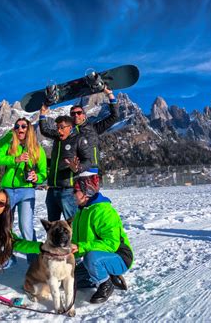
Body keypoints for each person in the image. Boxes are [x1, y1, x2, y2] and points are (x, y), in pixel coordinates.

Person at [0, 118, 47, 262]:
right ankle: (6, 254)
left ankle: (34, 262)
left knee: (26, 227)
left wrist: (36, 177)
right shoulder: (10, 146)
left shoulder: (37, 149)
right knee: (4, 224)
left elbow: (44, 172)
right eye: (17, 126)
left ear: (29, 130)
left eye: (23, 126)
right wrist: (14, 159)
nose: (20, 128)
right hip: (7, 191)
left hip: (27, 191)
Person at [71, 170, 133, 304]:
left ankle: (106, 284)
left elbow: (111, 244)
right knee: (71, 279)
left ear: (87, 191)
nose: (72, 194)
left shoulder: (103, 211)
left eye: (75, 190)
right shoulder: (82, 211)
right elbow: (76, 241)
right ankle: (108, 275)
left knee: (91, 258)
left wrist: (81, 247)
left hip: (119, 257)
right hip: (98, 255)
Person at [39, 112, 93, 221]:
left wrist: (77, 168)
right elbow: (44, 130)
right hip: (52, 190)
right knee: (53, 226)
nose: (59, 131)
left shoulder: (79, 139)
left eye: (62, 127)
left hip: (68, 190)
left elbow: (88, 160)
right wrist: (42, 114)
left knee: (72, 224)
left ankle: (76, 239)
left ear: (71, 127)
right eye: (57, 127)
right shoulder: (57, 139)